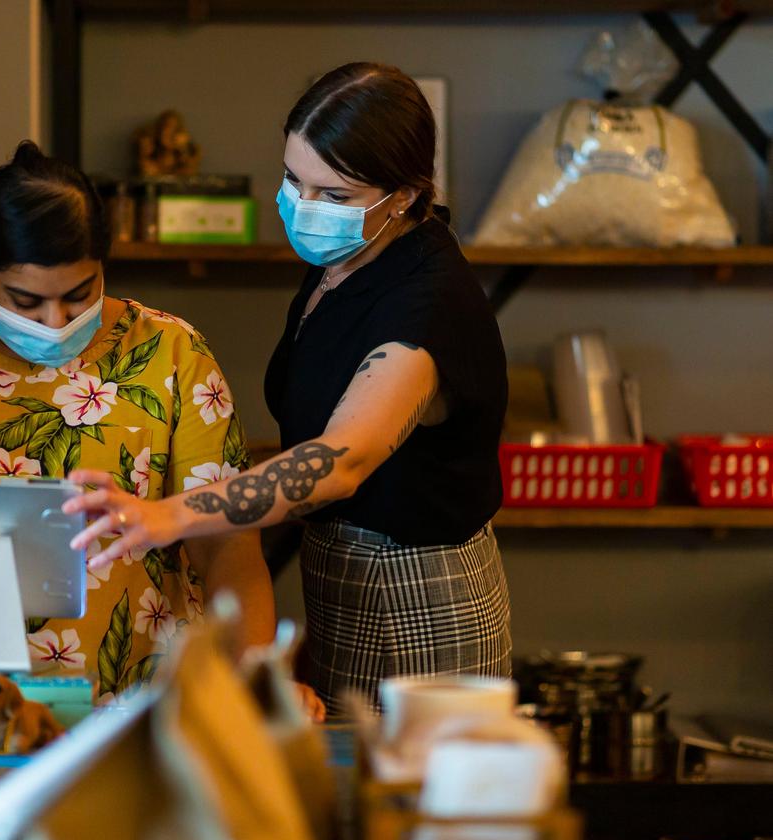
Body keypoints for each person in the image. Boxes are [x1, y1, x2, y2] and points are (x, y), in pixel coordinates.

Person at [65, 62, 512, 715]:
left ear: (409, 195)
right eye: (294, 181)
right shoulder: (350, 256)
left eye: (333, 196)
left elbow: (341, 461)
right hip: (342, 572)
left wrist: (170, 514)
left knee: (406, 804)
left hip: (414, 593)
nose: (305, 208)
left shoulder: (424, 310)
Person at [0, 141, 277, 702]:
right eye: (25, 300)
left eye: (78, 295)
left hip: (148, 704)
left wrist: (252, 681)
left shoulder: (172, 353)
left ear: (103, 265)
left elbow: (229, 547)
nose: (55, 321)